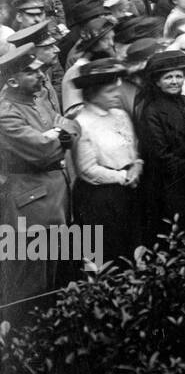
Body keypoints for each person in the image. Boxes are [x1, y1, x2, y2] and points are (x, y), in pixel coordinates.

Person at [0, 44, 79, 322]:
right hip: (31, 203)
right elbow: (43, 152)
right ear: (12, 80)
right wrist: (62, 136)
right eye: (33, 73)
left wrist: (60, 133)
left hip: (54, 196)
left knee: (56, 274)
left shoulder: (38, 96)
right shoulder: (6, 114)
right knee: (31, 281)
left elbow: (67, 124)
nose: (43, 76)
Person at [70, 59, 143, 266]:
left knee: (133, 250)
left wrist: (137, 164)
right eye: (110, 91)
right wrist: (123, 177)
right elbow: (87, 170)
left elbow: (132, 146)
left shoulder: (120, 114)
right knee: (106, 256)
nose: (117, 95)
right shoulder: (81, 123)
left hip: (128, 191)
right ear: (93, 93)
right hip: (100, 198)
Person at [135, 49, 185, 238]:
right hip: (170, 186)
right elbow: (161, 155)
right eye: (168, 77)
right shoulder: (152, 112)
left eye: (179, 76)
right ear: (157, 82)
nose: (175, 81)